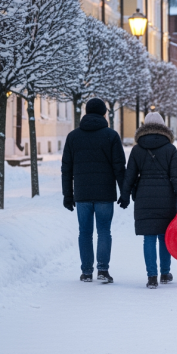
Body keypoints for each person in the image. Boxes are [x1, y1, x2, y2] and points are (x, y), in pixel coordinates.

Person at [119, 112, 177, 289]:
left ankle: (152, 277)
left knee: (149, 237)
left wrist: (125, 195)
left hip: (144, 198)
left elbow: (130, 175)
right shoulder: (170, 149)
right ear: (163, 127)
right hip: (166, 198)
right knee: (165, 236)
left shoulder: (137, 149)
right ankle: (165, 273)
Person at [61, 98, 126, 284]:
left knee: (85, 233)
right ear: (104, 113)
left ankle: (86, 272)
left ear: (86, 112)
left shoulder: (73, 137)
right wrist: (125, 192)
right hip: (105, 193)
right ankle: (103, 270)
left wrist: (68, 195)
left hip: (82, 194)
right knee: (104, 231)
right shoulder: (111, 136)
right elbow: (119, 167)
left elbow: (66, 169)